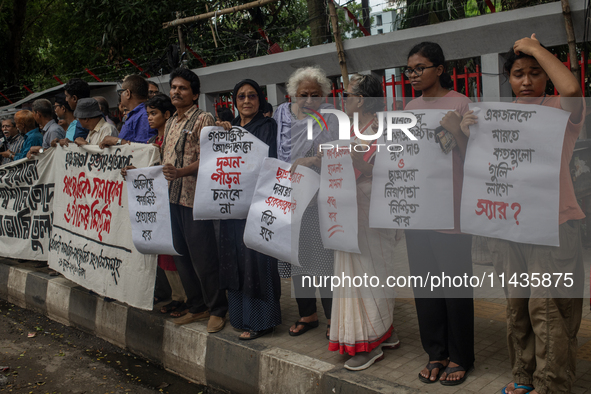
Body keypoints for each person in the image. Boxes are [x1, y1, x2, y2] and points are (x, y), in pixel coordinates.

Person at [461, 34, 585, 394]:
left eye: (535, 72)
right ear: (508, 79)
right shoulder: (497, 119)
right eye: (518, 74)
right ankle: (525, 377)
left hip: (555, 225)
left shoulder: (561, 111)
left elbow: (573, 89)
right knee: (518, 308)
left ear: (546, 75)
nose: (527, 81)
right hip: (510, 227)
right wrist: (467, 132)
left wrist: (533, 48)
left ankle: (552, 385)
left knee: (550, 312)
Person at [403, 42, 474, 386]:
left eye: (420, 68)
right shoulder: (410, 106)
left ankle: (461, 355)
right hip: (418, 211)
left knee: (454, 286)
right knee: (426, 285)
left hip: (452, 211)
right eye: (409, 69)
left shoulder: (460, 104)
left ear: (440, 69)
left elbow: (473, 156)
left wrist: (457, 129)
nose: (413, 75)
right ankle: (435, 352)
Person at [328, 74, 402, 370]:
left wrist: (358, 164)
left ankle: (370, 341)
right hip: (349, 210)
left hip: (374, 211)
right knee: (359, 273)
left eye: (346, 95)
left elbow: (394, 171)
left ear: (360, 99)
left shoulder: (384, 130)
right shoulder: (353, 129)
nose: (342, 100)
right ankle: (385, 331)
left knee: (372, 273)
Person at [274, 66, 339, 338]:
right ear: (293, 95)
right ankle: (307, 314)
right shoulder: (280, 116)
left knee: (323, 263)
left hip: (318, 200)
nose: (309, 100)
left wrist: (313, 160)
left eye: (315, 94)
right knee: (298, 261)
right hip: (289, 199)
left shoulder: (331, 120)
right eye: (303, 95)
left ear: (323, 96)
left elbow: (339, 155)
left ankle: (333, 319)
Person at [161, 67, 228, 332]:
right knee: (182, 255)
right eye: (174, 87)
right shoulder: (170, 122)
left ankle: (218, 309)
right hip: (172, 199)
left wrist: (181, 172)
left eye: (183, 88)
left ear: (195, 94)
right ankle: (197, 307)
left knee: (204, 258)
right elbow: (164, 159)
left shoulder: (204, 119)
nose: (176, 92)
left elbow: (211, 158)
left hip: (195, 200)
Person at [216, 79, 281, 340]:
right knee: (233, 260)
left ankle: (262, 321)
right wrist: (221, 133)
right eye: (241, 96)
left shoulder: (267, 126)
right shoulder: (227, 128)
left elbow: (269, 160)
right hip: (231, 208)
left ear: (260, 99)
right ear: (234, 101)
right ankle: (240, 317)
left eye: (252, 96)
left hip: (257, 205)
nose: (246, 101)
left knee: (256, 261)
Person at [118, 94, 186, 316]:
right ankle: (177, 296)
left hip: (175, 203)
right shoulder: (149, 145)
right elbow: (148, 169)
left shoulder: (172, 142)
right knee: (163, 253)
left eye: (154, 113)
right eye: (148, 114)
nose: (149, 118)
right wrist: (132, 171)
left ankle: (185, 297)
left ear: (167, 115)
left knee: (176, 252)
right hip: (156, 206)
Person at [101, 75, 156, 147]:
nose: (120, 96)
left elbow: (144, 148)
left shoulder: (144, 115)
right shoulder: (138, 114)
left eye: (121, 92)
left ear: (128, 93)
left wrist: (117, 141)